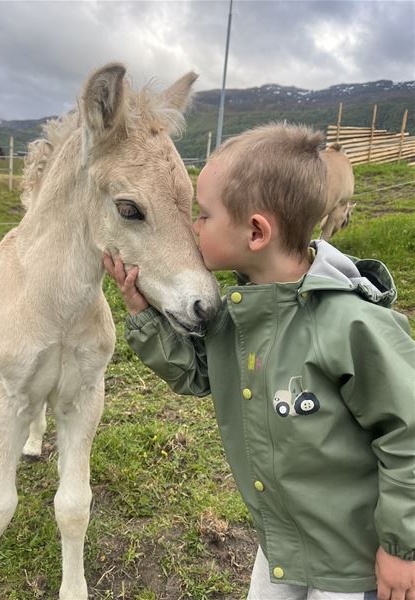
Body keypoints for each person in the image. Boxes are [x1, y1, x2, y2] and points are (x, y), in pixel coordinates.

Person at [103, 123, 415, 600]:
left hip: (351, 563)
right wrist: (144, 317)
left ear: (255, 232)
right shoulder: (238, 316)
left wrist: (400, 547)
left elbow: (408, 433)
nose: (192, 228)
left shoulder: (353, 325)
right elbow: (198, 374)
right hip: (280, 547)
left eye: (203, 215)